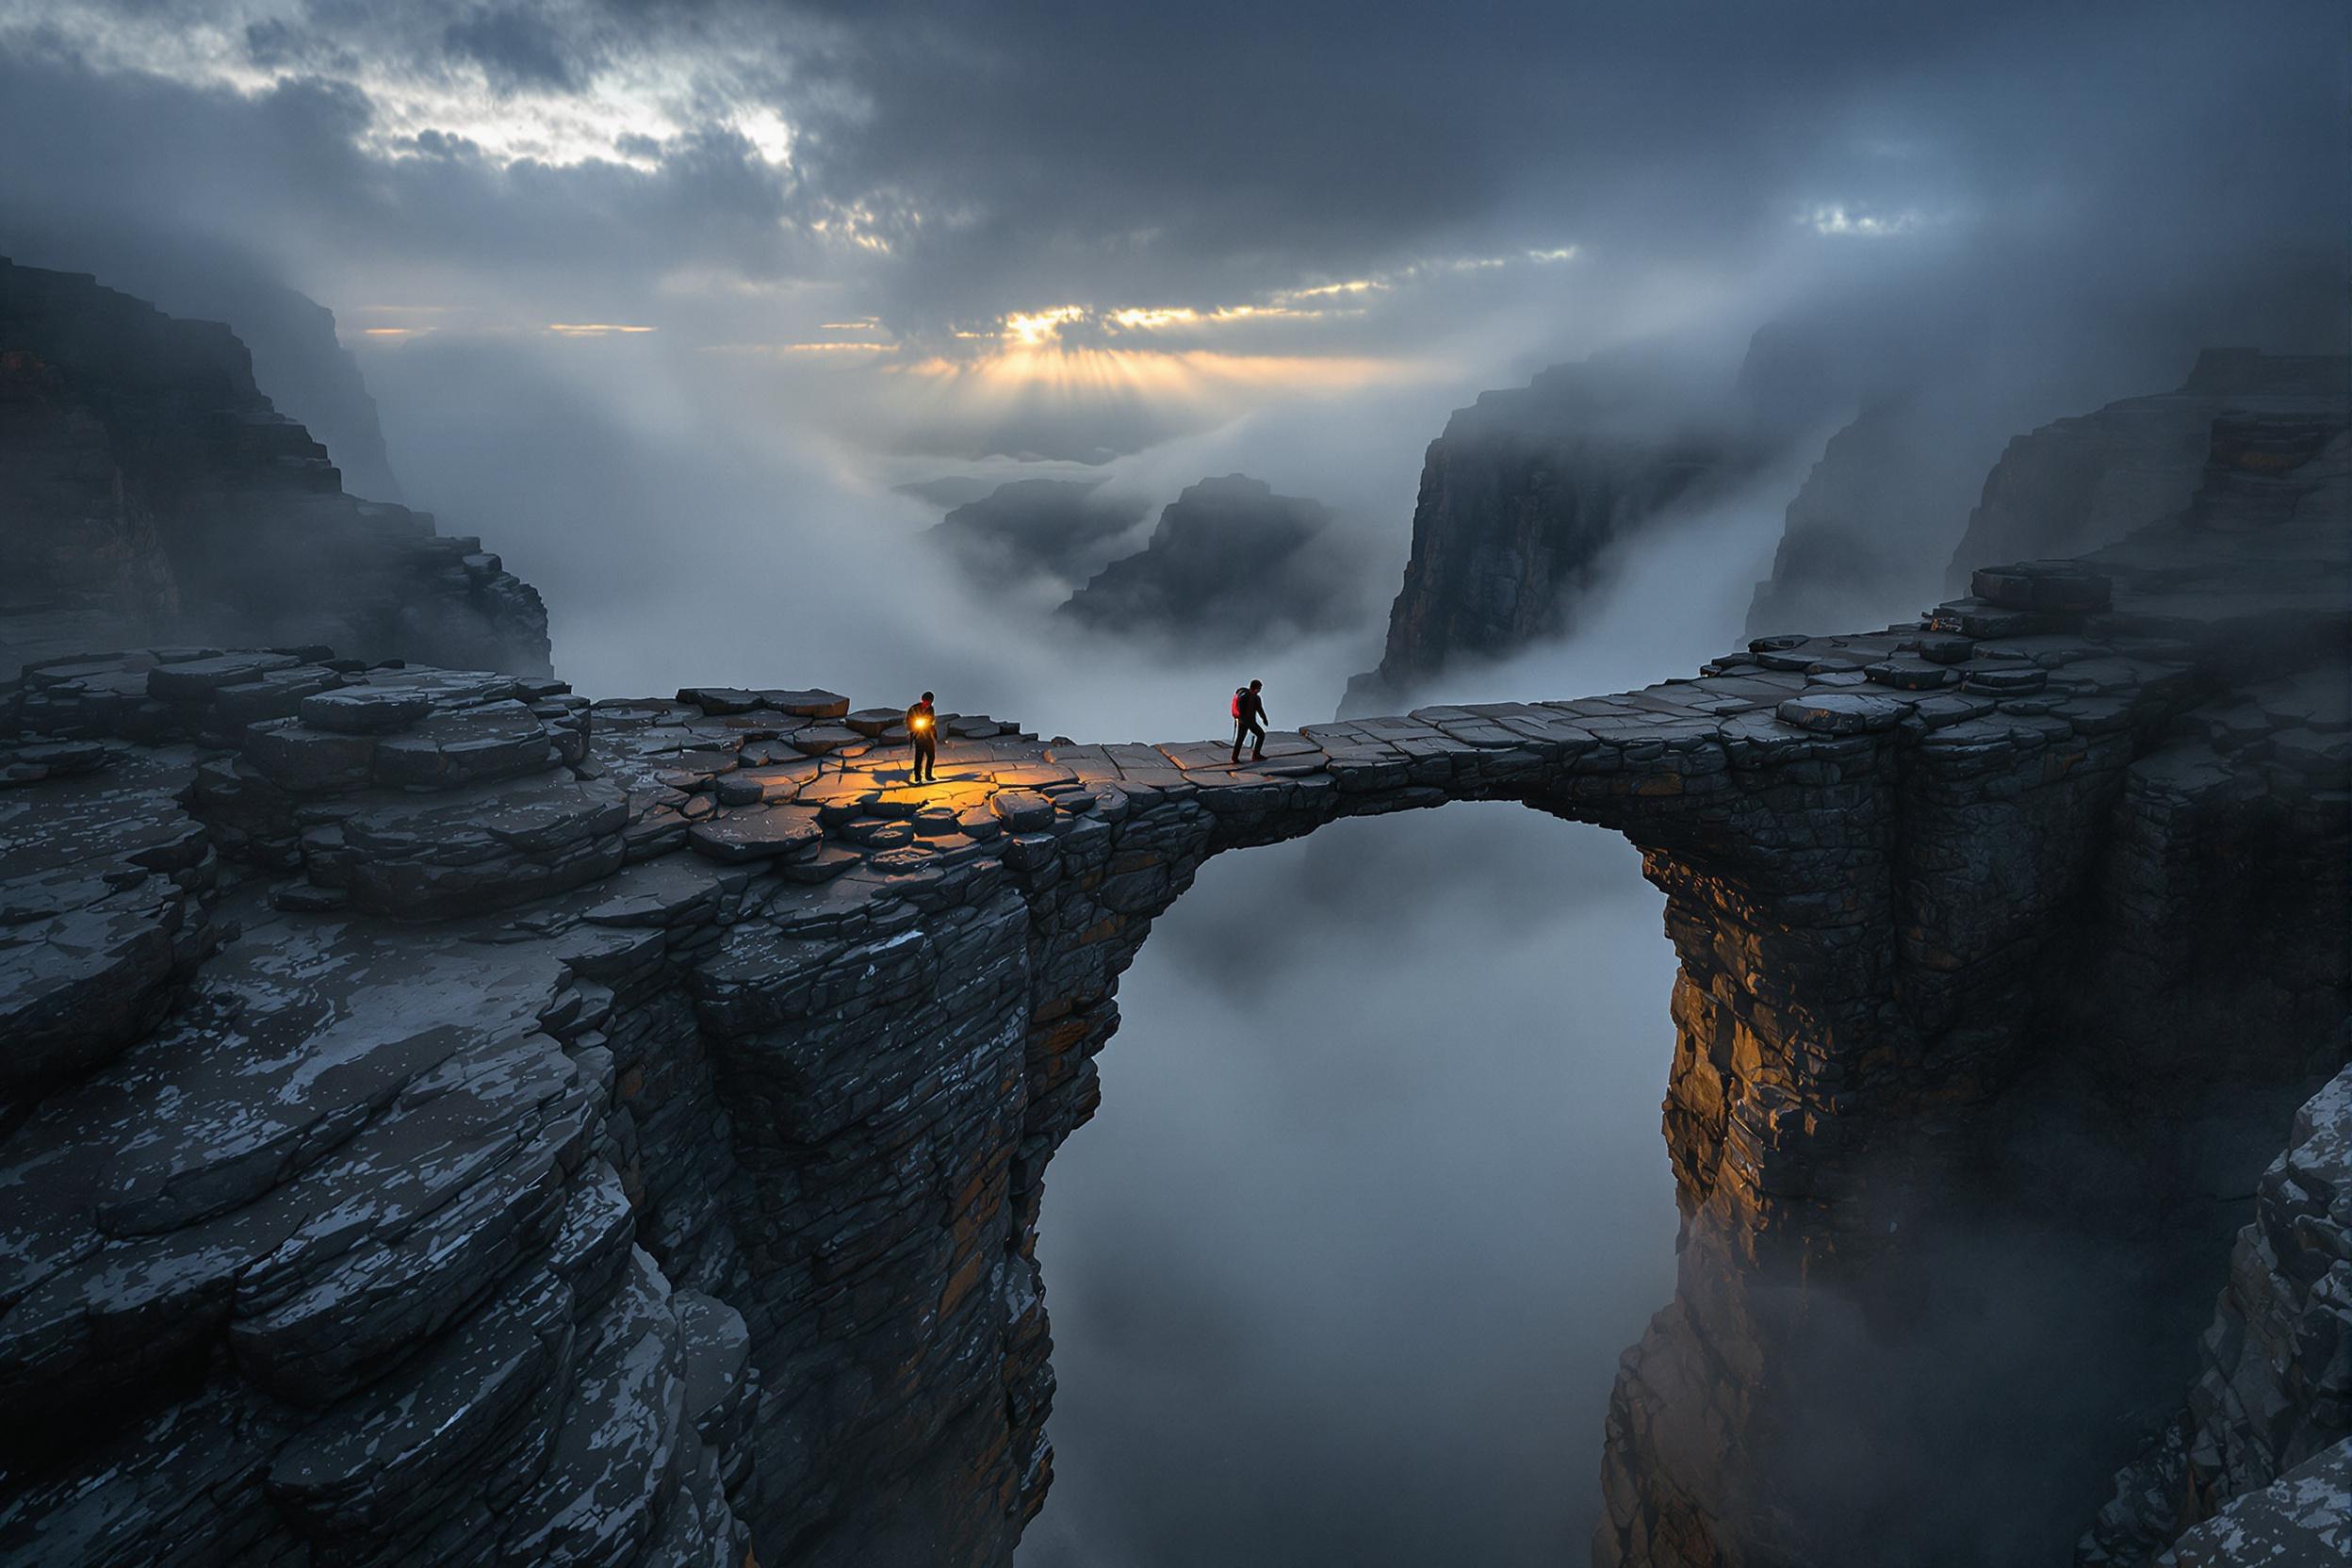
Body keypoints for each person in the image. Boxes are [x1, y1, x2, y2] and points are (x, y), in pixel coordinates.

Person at [1230, 678, 1266, 765]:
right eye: (1259, 688)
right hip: (1249, 721)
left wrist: (1240, 718)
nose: (1260, 690)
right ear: (1257, 688)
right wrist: (1264, 719)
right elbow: (1259, 709)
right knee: (1261, 735)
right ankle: (1256, 755)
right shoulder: (1255, 698)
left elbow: (1241, 709)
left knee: (1240, 739)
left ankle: (1234, 758)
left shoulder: (1244, 696)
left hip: (1241, 721)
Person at [906, 690, 939, 782]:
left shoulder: (931, 709)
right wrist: (912, 727)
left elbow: (931, 720)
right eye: (926, 700)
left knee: (931, 755)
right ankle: (917, 776)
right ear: (922, 699)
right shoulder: (914, 708)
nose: (927, 703)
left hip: (928, 734)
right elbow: (908, 720)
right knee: (919, 756)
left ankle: (928, 775)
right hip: (918, 734)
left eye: (929, 701)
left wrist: (930, 725)